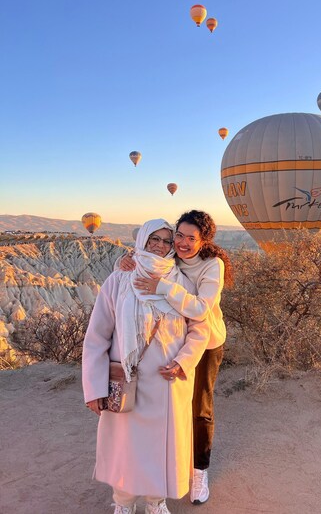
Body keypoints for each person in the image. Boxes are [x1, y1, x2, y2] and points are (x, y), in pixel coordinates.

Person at [82, 219, 209, 514]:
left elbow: (199, 329)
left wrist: (183, 361)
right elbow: (97, 336)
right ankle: (123, 503)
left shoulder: (180, 283)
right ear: (142, 240)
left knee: (161, 448)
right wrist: (93, 387)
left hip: (168, 381)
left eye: (166, 241)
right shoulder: (119, 280)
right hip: (128, 381)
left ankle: (156, 502)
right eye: (154, 238)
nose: (160, 245)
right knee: (126, 446)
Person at [118, 210, 233, 505]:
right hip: (174, 343)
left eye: (190, 238)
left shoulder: (212, 265)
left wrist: (162, 287)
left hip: (206, 344)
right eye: (178, 235)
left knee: (199, 407)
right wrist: (124, 262)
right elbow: (148, 257)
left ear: (204, 240)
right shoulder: (173, 258)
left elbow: (198, 310)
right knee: (174, 410)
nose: (181, 243)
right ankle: (169, 469)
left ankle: (199, 471)